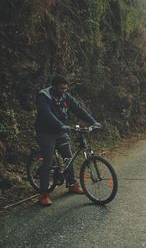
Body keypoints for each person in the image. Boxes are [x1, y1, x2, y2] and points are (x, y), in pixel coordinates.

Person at [34, 75, 101, 206]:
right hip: (46, 132)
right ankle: (43, 194)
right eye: (61, 88)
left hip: (61, 131)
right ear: (53, 87)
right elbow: (45, 113)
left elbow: (78, 110)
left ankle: (72, 184)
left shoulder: (66, 97)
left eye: (65, 88)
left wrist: (93, 121)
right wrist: (60, 124)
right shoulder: (44, 96)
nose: (64, 90)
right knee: (47, 162)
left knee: (68, 158)